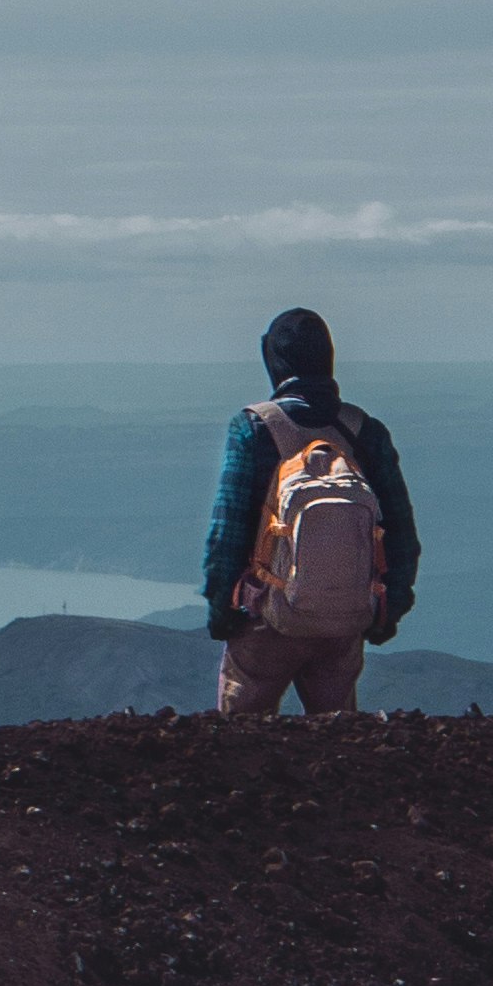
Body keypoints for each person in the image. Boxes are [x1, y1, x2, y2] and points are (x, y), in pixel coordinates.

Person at [201, 307, 420, 722]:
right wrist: (387, 610)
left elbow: (225, 532)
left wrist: (221, 611)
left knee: (240, 740)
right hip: (343, 619)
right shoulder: (363, 430)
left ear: (275, 362)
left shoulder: (253, 428)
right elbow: (400, 531)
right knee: (338, 741)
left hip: (267, 619)